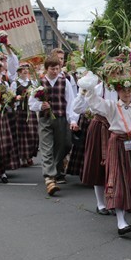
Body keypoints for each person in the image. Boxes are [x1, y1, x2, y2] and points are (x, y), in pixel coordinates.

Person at [83, 73, 131, 235]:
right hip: (117, 144)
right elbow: (95, 103)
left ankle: (127, 210)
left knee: (130, 179)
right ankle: (120, 221)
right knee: (118, 179)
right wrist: (90, 87)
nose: (126, 93)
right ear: (117, 91)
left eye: (129, 90)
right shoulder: (112, 106)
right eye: (123, 90)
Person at [28, 56, 78, 196]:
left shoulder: (65, 82)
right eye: (52, 69)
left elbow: (71, 102)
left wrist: (72, 120)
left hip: (61, 119)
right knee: (46, 148)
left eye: (57, 69)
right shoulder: (39, 82)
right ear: (46, 69)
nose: (55, 71)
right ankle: (50, 178)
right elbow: (31, 104)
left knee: (66, 145)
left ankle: (54, 169)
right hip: (45, 120)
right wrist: (40, 105)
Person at [11, 63, 39, 167]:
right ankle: (23, 157)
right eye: (22, 69)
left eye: (26, 69)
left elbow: (37, 95)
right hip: (20, 111)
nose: (25, 71)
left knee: (32, 134)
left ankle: (30, 156)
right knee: (21, 135)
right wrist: (17, 98)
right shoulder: (15, 83)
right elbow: (11, 96)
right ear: (19, 72)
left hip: (30, 110)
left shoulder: (33, 82)